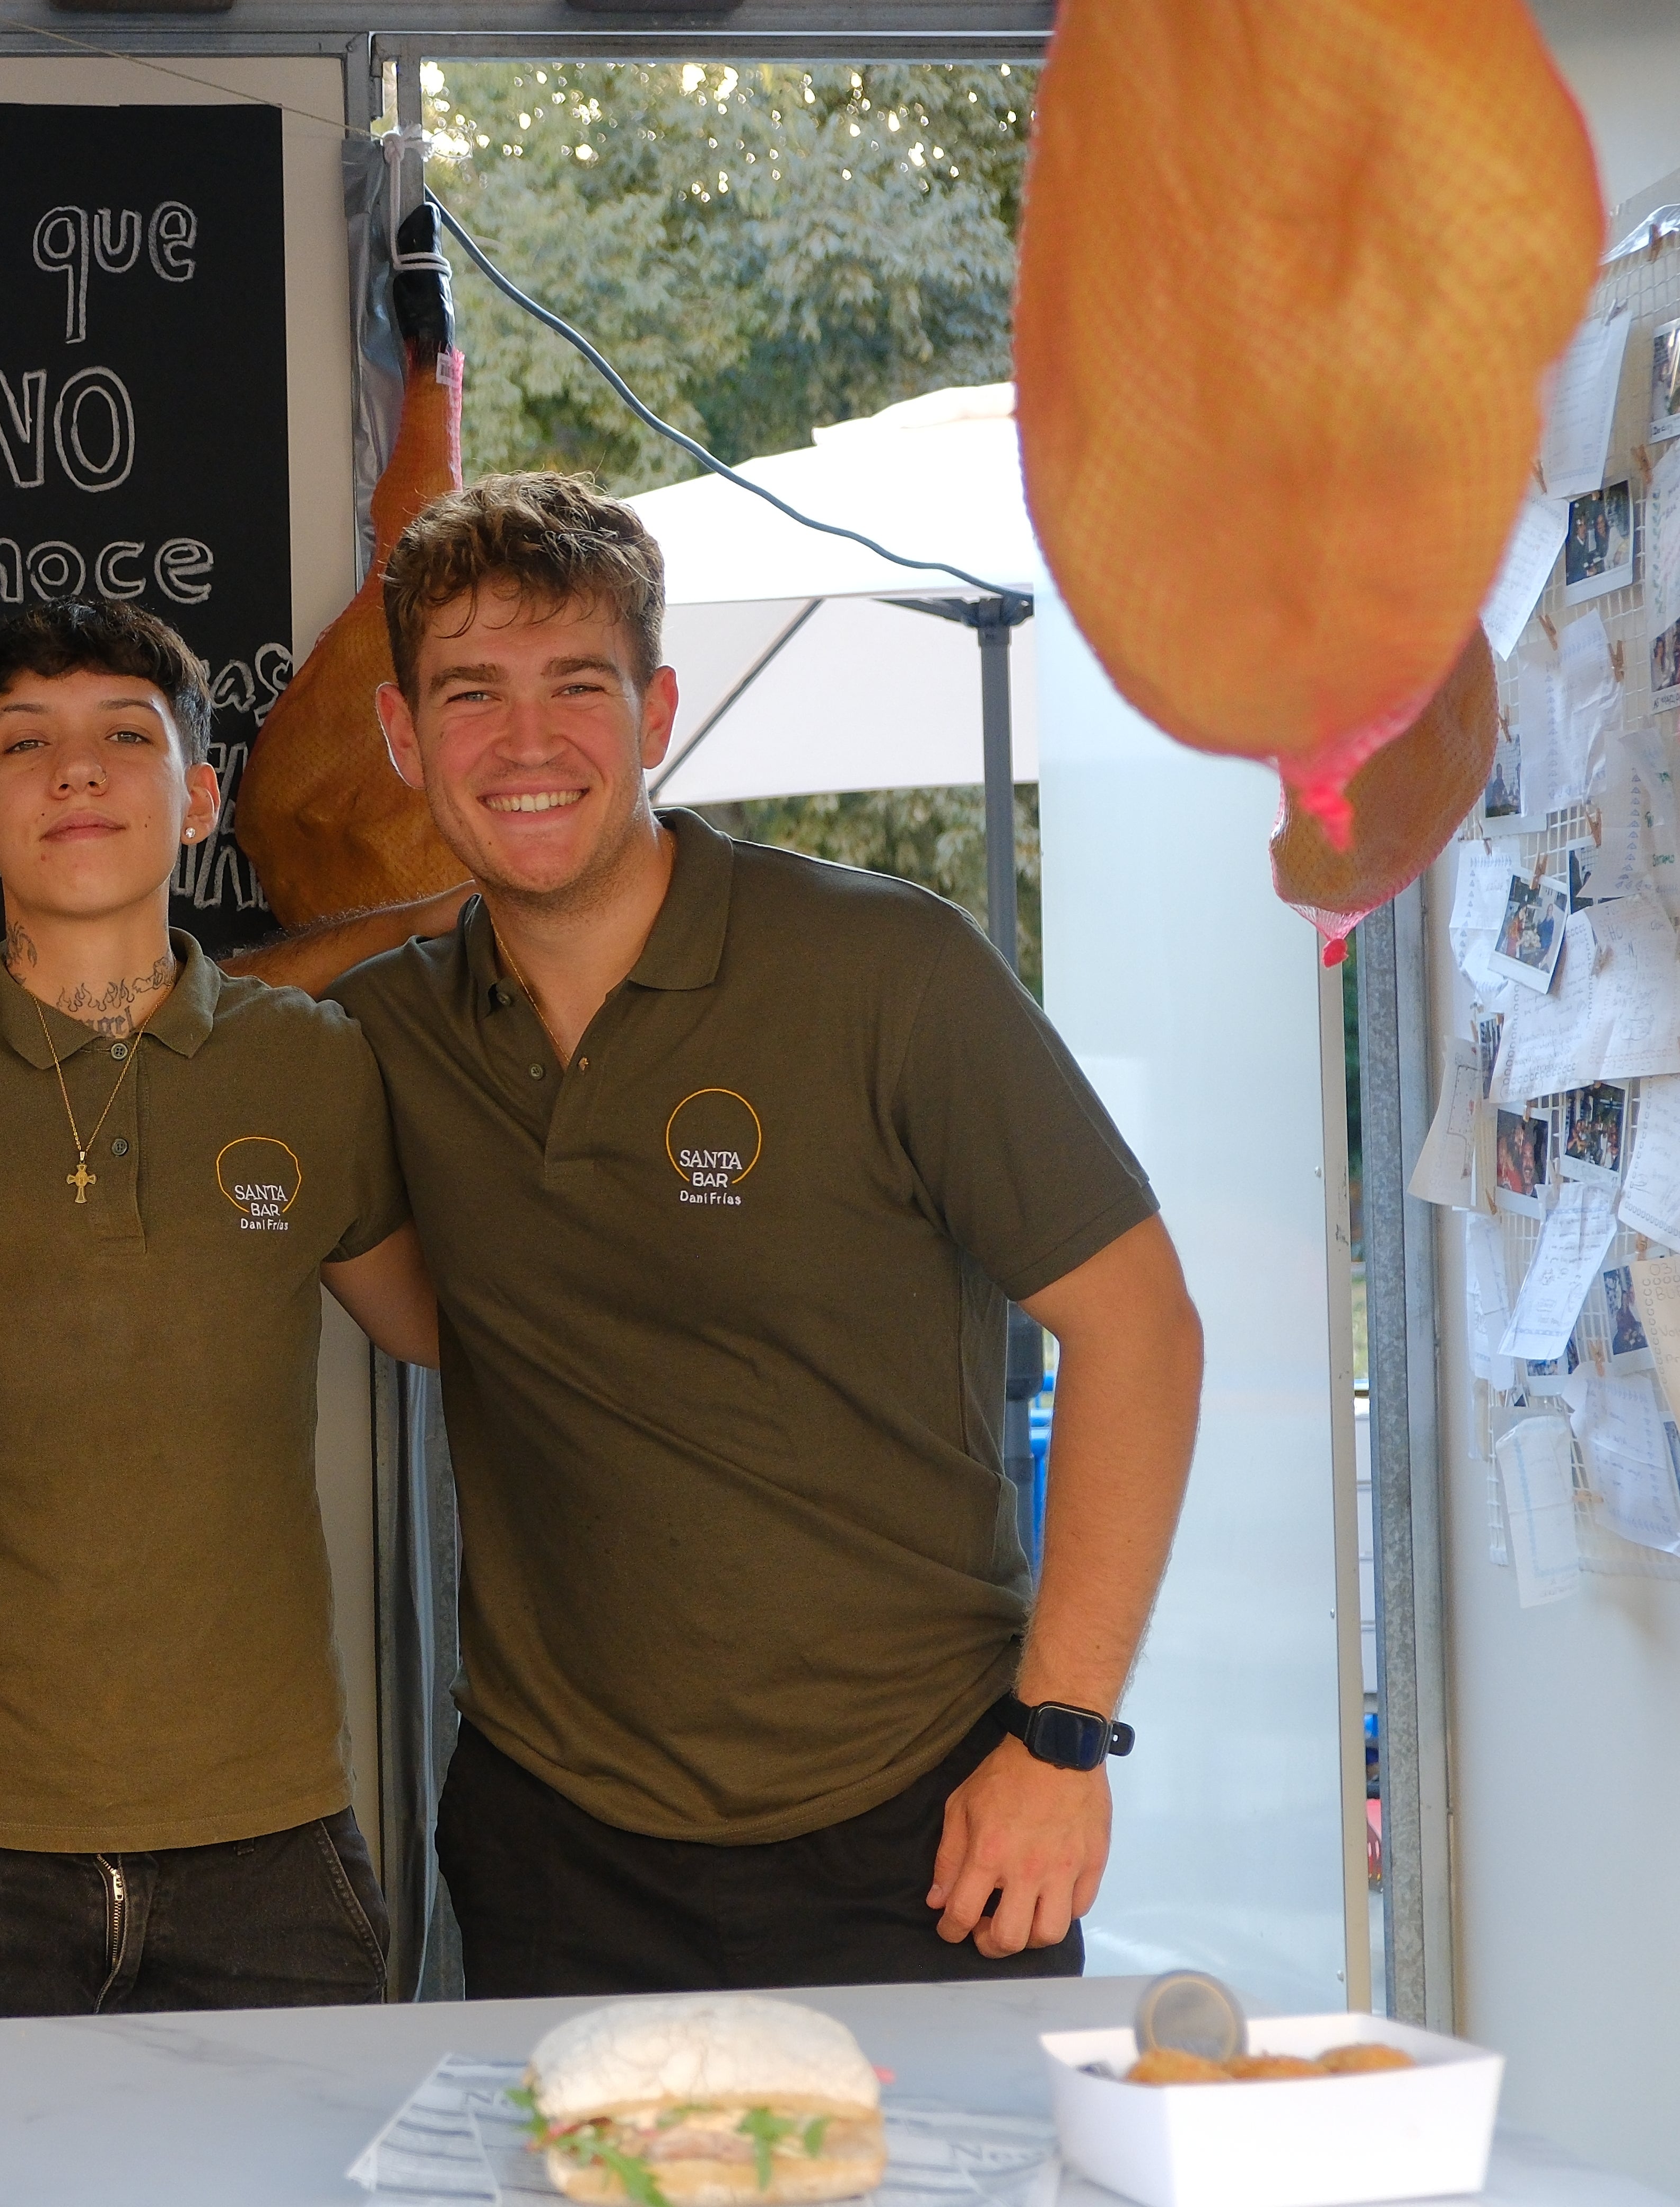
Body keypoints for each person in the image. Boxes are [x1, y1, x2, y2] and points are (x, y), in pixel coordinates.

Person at [301, 473, 1205, 1993]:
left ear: (656, 713)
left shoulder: (886, 969)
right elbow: (425, 1309)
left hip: (920, 1823)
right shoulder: (389, 1035)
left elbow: (1141, 1329)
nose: (526, 745)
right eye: (471, 695)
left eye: (574, 686)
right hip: (555, 1847)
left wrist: (1062, 1741)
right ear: (403, 738)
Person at [0, 601, 441, 2020]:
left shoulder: (318, 1069)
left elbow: (441, 1324)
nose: (76, 774)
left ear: (200, 797)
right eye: (26, 745)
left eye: (124, 738)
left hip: (265, 1834)